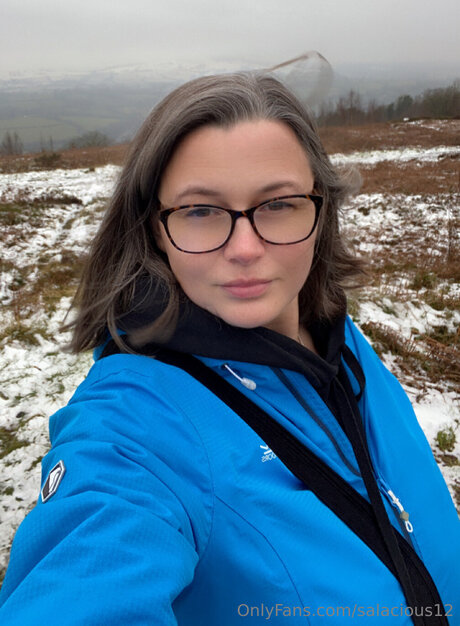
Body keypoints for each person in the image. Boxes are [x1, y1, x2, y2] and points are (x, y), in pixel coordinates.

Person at [0, 71, 458, 625]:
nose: (245, 248)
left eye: (279, 203)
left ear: (320, 210)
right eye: (200, 211)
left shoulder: (341, 340)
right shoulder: (136, 424)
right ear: (154, 229)